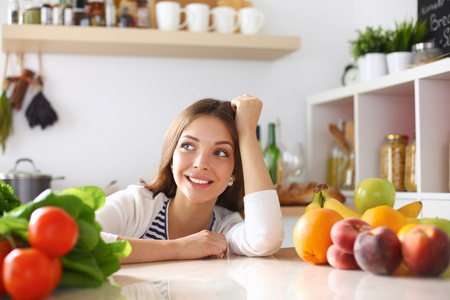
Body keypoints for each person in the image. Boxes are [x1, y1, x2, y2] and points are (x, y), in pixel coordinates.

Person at [95, 94, 284, 263]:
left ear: (234, 173)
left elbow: (266, 237)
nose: (201, 163)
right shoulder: (136, 206)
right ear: (171, 158)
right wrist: (180, 248)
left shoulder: (225, 228)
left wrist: (247, 132)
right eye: (188, 146)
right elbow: (75, 241)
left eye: (220, 152)